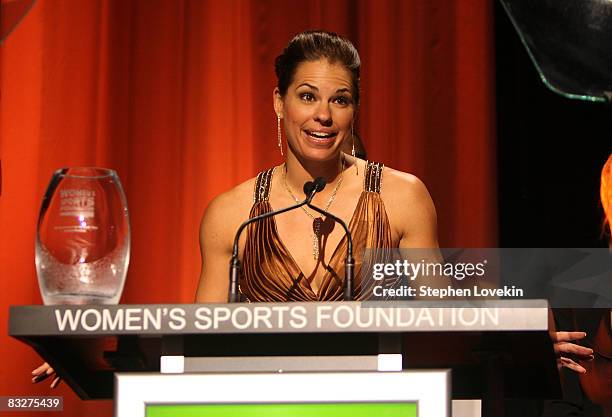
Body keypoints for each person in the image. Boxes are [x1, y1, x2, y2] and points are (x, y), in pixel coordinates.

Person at [33, 29, 592, 387]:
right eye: (307, 96)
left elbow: (440, 318)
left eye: (340, 99)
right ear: (278, 102)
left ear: (353, 110)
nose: (323, 115)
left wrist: (518, 334)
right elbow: (201, 348)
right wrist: (96, 353)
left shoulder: (400, 196)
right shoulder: (231, 213)